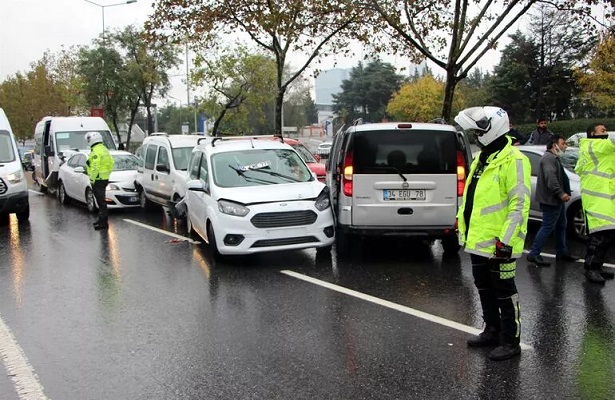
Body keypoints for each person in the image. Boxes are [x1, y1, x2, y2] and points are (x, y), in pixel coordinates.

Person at [454, 106, 531, 361]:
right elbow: (472, 197)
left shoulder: (515, 160)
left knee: (505, 292)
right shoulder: (481, 157)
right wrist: (460, 222)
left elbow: (519, 204)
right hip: (478, 241)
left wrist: (506, 240)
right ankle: (492, 330)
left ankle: (511, 341)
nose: (476, 135)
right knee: (484, 288)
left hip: (501, 244)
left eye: (478, 130)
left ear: (493, 128)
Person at [526, 135, 578, 267]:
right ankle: (534, 253)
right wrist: (561, 193)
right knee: (547, 227)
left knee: (561, 225)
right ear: (554, 145)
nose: (565, 146)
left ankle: (562, 252)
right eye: (563, 143)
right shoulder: (549, 159)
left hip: (555, 200)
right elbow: (551, 179)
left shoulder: (554, 158)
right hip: (551, 200)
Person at [575, 123, 615, 284]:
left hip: (603, 198)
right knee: (599, 237)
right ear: (592, 134)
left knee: (607, 236)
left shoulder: (594, 148)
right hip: (598, 200)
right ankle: (591, 268)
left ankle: (597, 266)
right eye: (602, 130)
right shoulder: (595, 145)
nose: (606, 133)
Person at [85, 131, 114, 230]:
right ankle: (101, 220)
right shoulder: (104, 149)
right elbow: (111, 163)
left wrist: (92, 179)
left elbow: (95, 166)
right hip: (104, 178)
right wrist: (107, 174)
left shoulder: (96, 151)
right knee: (101, 201)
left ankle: (103, 223)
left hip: (98, 179)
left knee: (101, 202)